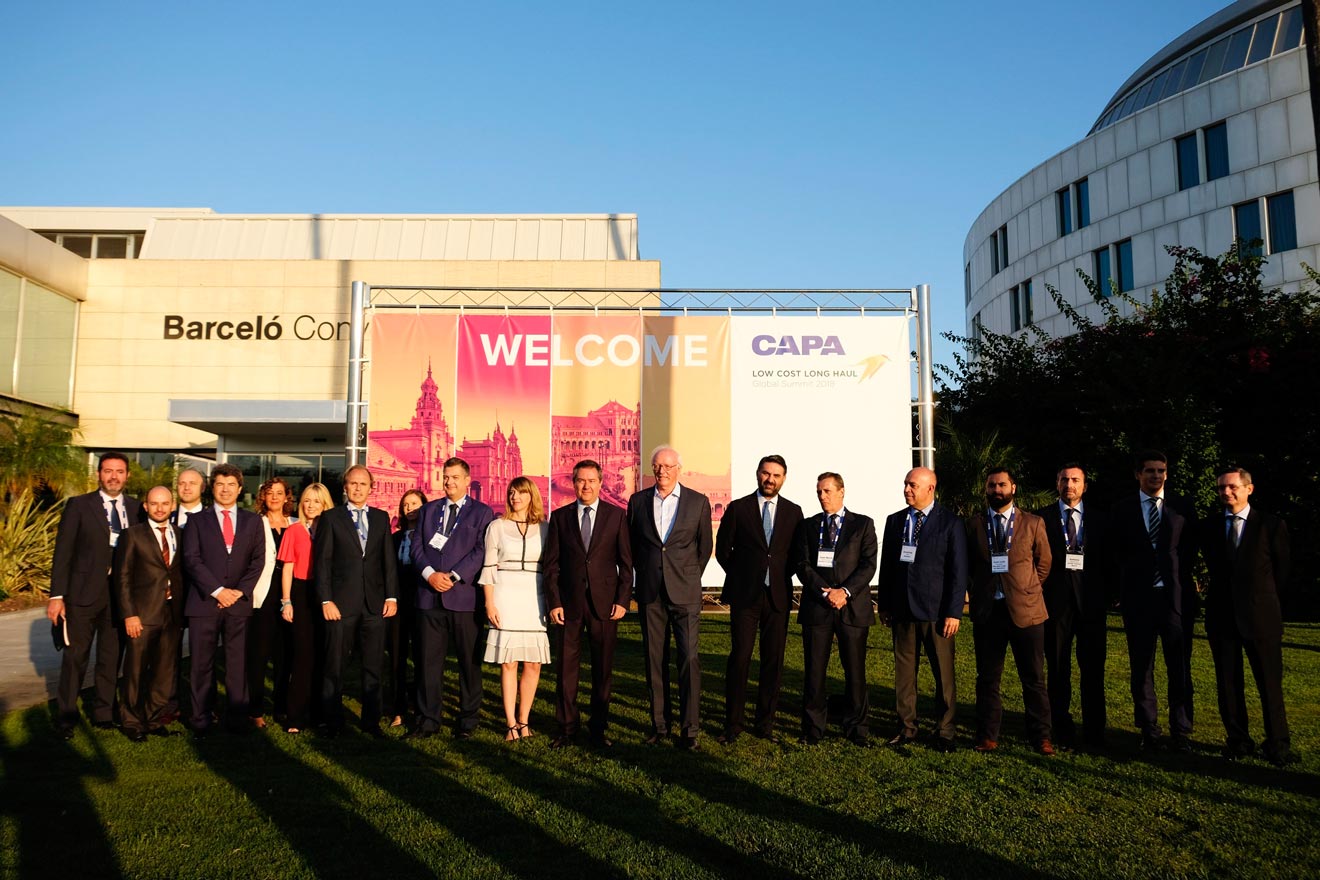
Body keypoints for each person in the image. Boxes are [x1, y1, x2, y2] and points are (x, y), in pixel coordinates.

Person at [1200, 468, 1295, 765]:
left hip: (1261, 617)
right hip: (1222, 617)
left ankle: (1278, 744)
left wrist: (1265, 602)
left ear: (1249, 489)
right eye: (1221, 488)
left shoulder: (1271, 525)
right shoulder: (1209, 527)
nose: (1226, 492)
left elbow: (1282, 572)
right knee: (1228, 684)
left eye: (1232, 487)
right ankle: (1238, 741)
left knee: (1269, 684)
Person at [1107, 449, 1198, 753]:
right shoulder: (1121, 509)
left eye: (1161, 470)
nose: (1156, 475)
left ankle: (1181, 731)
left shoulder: (1182, 506)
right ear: (1138, 474)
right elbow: (1115, 553)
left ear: (1167, 474)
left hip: (1175, 600)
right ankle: (1149, 729)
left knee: (1179, 667)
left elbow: (1189, 550)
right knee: (1141, 668)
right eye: (1150, 470)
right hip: (1138, 600)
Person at [48, 451, 143, 738]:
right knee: (75, 657)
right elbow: (63, 552)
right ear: (99, 474)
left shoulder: (137, 508)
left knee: (110, 658)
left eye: (119, 471)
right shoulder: (79, 505)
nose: (114, 476)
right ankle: (66, 716)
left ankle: (103, 713)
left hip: (119, 597)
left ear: (127, 475)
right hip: (82, 595)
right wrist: (57, 596)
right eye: (108, 471)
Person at [627, 445, 713, 750]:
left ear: (679, 469)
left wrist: (687, 576)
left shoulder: (698, 502)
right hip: (651, 592)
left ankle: (689, 730)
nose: (661, 471)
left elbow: (704, 547)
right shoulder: (638, 502)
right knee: (654, 660)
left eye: (667, 466)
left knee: (688, 658)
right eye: (656, 466)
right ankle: (660, 726)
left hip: (685, 593)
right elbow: (633, 545)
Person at [542, 460, 632, 750]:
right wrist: (554, 602)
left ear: (601, 483)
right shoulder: (560, 517)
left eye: (592, 481)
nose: (586, 486)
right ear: (573, 483)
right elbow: (551, 566)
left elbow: (626, 564)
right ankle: (566, 729)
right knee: (566, 670)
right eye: (581, 480)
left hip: (605, 606)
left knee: (602, 671)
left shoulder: (616, 516)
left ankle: (598, 729)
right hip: (568, 606)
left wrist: (622, 600)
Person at [714, 454, 804, 744]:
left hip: (777, 596)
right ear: (757, 474)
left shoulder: (793, 512)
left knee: (772, 662)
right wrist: (742, 575)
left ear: (784, 478)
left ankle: (765, 724)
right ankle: (733, 724)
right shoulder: (739, 508)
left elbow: (797, 554)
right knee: (740, 658)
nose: (770, 479)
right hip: (745, 596)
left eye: (776, 475)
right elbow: (723, 549)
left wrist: (778, 575)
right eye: (766, 473)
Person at [877, 466, 967, 751]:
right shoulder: (895, 521)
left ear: (930, 488)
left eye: (912, 485)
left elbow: (958, 571)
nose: (906, 489)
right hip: (902, 609)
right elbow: (887, 566)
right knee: (904, 675)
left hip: (936, 613)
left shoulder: (950, 522)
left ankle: (945, 731)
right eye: (906, 484)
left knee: (943, 675)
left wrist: (953, 612)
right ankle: (906, 727)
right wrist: (885, 604)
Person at [967, 467, 1054, 755]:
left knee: (1034, 679)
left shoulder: (1033, 523)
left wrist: (1026, 588)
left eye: (1002, 485)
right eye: (992, 486)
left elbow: (1044, 563)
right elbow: (968, 566)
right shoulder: (975, 525)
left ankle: (1041, 737)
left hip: (1026, 612)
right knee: (988, 678)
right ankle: (987, 735)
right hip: (988, 612)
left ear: (1013, 488)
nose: (996, 490)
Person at [409, 457, 495, 739]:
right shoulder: (428, 510)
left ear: (467, 480)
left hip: (464, 600)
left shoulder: (482, 513)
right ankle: (428, 720)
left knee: (468, 664)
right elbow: (417, 547)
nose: (449, 482)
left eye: (455, 477)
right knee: (428, 663)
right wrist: (430, 575)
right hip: (429, 597)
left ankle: (467, 721)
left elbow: (481, 551)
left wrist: (454, 576)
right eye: (446, 477)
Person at [181, 463, 266, 736]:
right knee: (201, 665)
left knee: (237, 665)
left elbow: (258, 561)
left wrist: (238, 591)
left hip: (238, 605)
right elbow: (191, 559)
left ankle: (237, 720)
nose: (225, 490)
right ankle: (201, 719)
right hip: (204, 603)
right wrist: (218, 591)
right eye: (220, 484)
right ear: (212, 488)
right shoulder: (196, 521)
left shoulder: (253, 521)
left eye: (231, 485)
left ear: (240, 489)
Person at [315, 465, 399, 737]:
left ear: (371, 488)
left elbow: (388, 561)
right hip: (340, 605)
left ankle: (371, 722)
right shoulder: (331, 518)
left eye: (363, 484)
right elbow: (322, 563)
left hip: (375, 605)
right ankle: (332, 722)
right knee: (335, 665)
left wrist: (391, 596)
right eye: (353, 483)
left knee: (373, 666)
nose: (358, 488)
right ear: (345, 487)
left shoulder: (381, 518)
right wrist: (326, 600)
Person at [794, 471, 877, 745]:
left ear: (841, 492)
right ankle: (813, 729)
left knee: (855, 672)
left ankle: (857, 729)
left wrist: (845, 592)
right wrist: (825, 592)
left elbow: (868, 564)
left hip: (852, 609)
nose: (822, 496)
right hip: (818, 608)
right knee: (814, 671)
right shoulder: (808, 525)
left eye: (827, 491)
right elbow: (802, 565)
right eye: (819, 491)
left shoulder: (862, 524)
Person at [1035, 463, 1109, 749]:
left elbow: (1110, 560)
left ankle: (1095, 733)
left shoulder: (1101, 519)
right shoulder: (1042, 519)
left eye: (1075, 480)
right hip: (1056, 604)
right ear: (1057, 483)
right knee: (1057, 670)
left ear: (1084, 486)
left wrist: (1109, 594)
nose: (1069, 484)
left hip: (1092, 605)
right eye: (1064, 479)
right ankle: (1061, 729)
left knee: (1093, 671)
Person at [480, 477, 551, 741]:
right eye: (511, 493)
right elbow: (488, 567)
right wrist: (489, 602)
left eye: (521, 493)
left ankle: (524, 720)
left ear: (531, 496)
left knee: (533, 663)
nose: (515, 497)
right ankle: (510, 723)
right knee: (509, 663)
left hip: (535, 597)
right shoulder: (496, 526)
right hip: (505, 596)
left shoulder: (545, 528)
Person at [112, 485, 184, 741]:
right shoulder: (132, 535)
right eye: (154, 503)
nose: (160, 508)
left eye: (165, 503)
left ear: (172, 505)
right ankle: (131, 722)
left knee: (164, 671)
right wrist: (129, 614)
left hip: (172, 613)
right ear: (145, 506)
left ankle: (153, 719)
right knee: (135, 671)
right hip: (142, 615)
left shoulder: (179, 533)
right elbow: (121, 577)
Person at [276, 483, 333, 734]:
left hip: (326, 594)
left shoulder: (331, 529)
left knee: (324, 656)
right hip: (300, 593)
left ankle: (320, 714)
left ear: (325, 504)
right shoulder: (293, 530)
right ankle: (296, 716)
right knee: (302, 656)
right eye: (307, 500)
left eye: (316, 501)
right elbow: (287, 568)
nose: (310, 505)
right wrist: (286, 601)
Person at [162, 466, 206, 725]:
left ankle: (203, 707)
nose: (186, 487)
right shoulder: (165, 517)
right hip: (170, 598)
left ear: (203, 488)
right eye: (181, 483)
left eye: (192, 483)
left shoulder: (212, 519)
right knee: (169, 655)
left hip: (202, 596)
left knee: (202, 656)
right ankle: (169, 704)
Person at [247, 477, 291, 729]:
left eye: (279, 493)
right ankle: (255, 709)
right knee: (259, 655)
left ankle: (281, 705)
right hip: (262, 595)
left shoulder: (295, 523)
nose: (274, 497)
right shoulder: (254, 523)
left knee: (284, 655)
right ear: (263, 496)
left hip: (288, 596)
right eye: (269, 492)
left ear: (287, 497)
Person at [387, 489, 427, 728]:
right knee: (396, 656)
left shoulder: (429, 539)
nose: (410, 508)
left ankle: (422, 707)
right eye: (406, 505)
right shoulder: (394, 538)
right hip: (398, 603)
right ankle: (398, 708)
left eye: (415, 504)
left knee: (423, 656)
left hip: (422, 601)